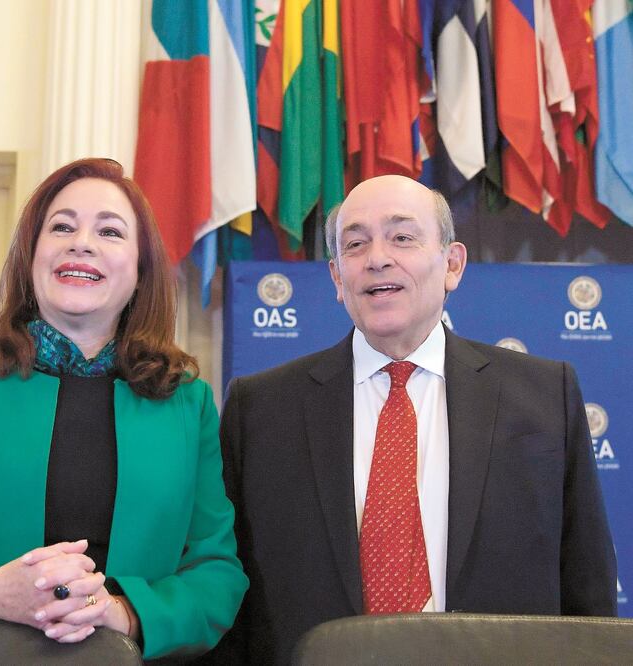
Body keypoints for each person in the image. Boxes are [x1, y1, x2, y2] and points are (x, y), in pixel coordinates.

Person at [0, 157, 247, 660]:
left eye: (110, 231)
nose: (82, 242)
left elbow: (216, 575)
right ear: (31, 256)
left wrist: (120, 613)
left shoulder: (187, 400)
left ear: (141, 271)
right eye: (61, 226)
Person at [212, 175, 617, 665]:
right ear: (337, 277)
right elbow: (229, 601)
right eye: (355, 244)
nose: (377, 258)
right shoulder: (260, 409)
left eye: (402, 237)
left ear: (452, 264)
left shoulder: (545, 396)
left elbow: (587, 594)